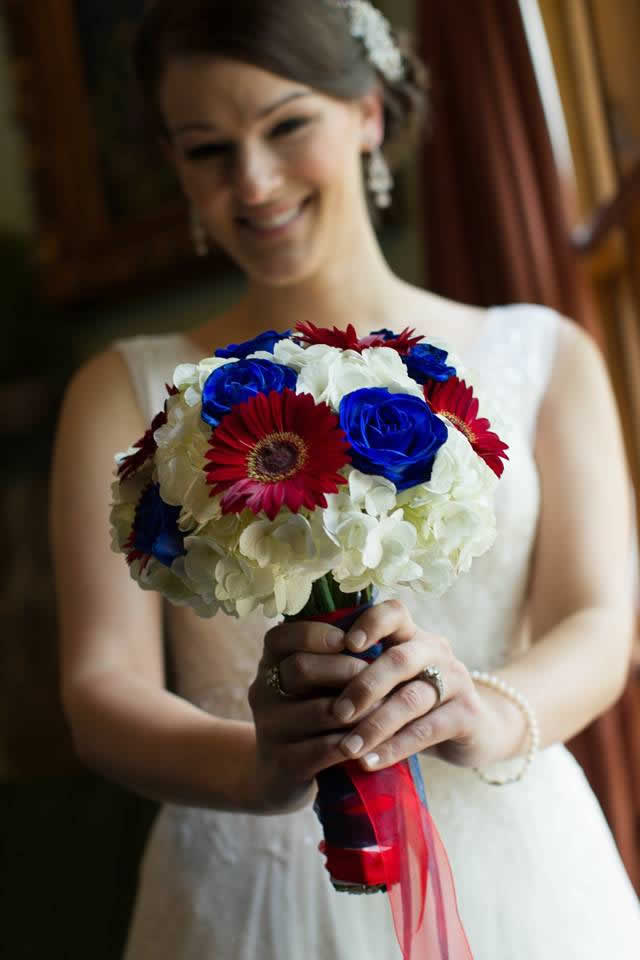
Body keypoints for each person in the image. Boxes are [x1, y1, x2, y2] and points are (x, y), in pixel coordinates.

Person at [50, 1, 640, 957]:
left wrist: (481, 708)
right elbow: (100, 688)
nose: (253, 181)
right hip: (245, 884)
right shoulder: (123, 391)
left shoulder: (546, 356)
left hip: (521, 868)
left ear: (367, 113)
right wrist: (257, 769)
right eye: (207, 151)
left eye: (287, 126)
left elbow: (598, 626)